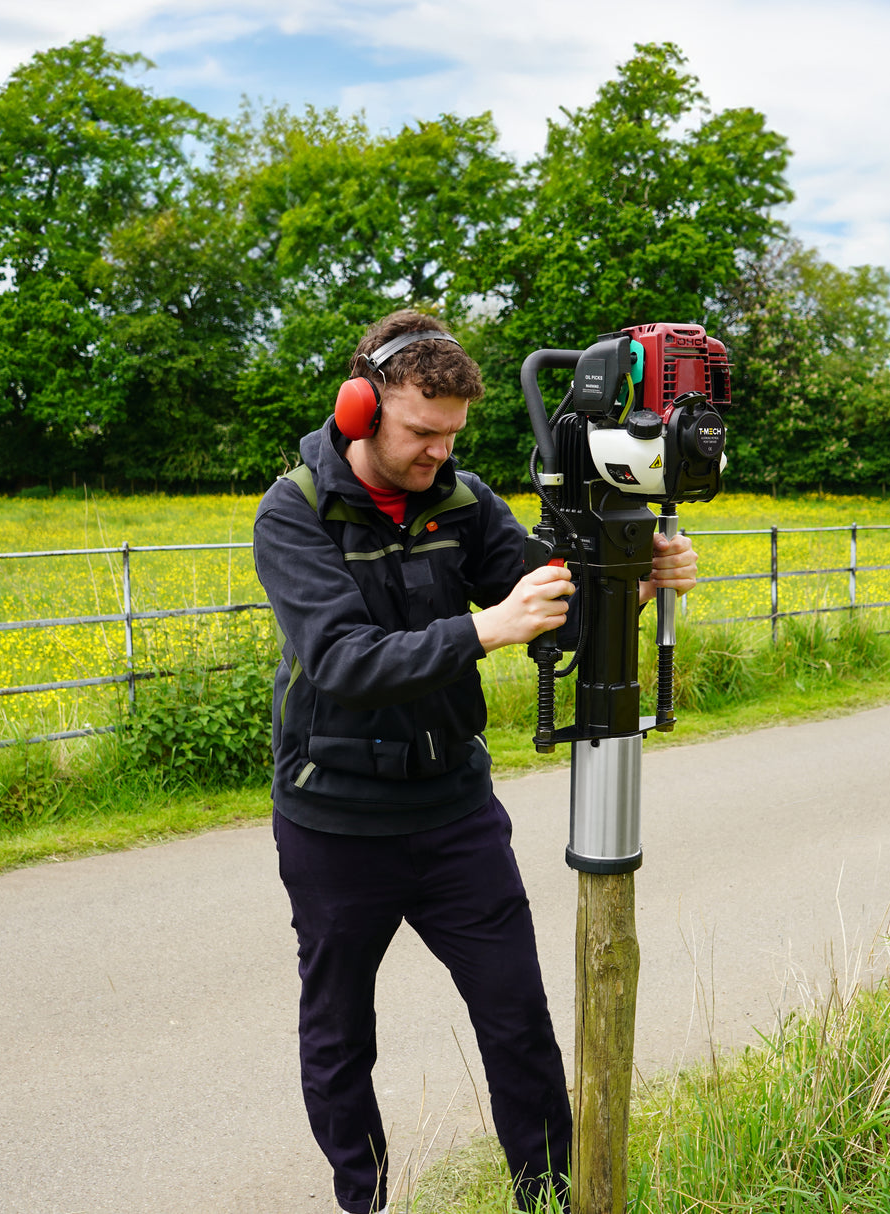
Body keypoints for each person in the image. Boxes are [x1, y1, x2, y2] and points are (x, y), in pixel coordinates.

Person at [252, 310, 698, 1214]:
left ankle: (548, 1198)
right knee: (340, 1035)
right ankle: (364, 1202)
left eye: (452, 434)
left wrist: (635, 579)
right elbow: (341, 661)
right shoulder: (295, 511)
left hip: (454, 816)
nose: (436, 453)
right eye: (421, 431)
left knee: (519, 1025)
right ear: (360, 410)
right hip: (335, 823)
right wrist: (486, 628)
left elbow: (557, 612)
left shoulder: (464, 502)